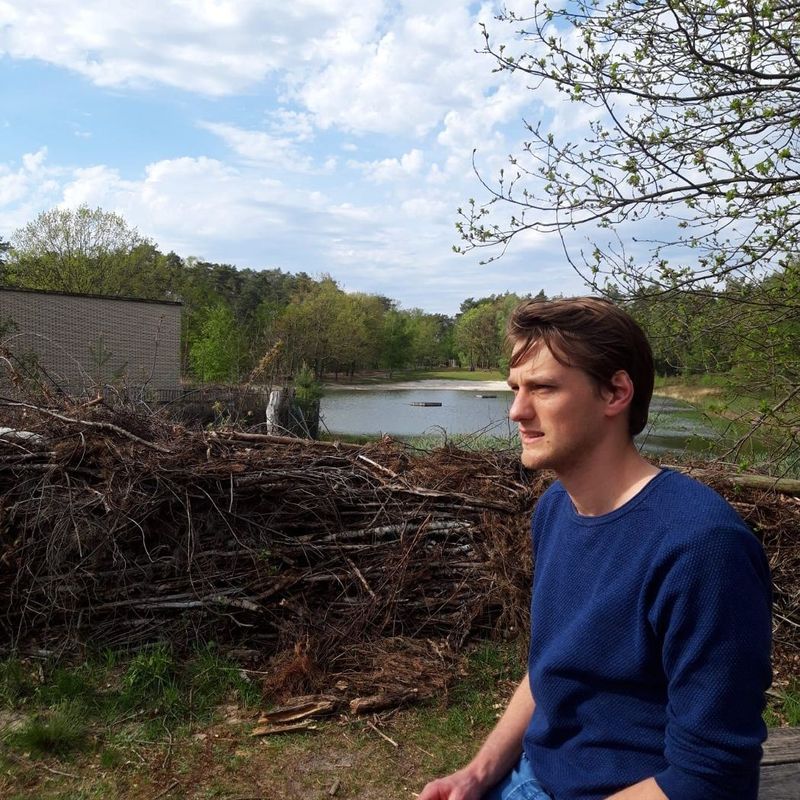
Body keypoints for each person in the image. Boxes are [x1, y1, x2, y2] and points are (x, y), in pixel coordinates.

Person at [418, 297, 772, 800]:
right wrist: (477, 774)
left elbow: (710, 777)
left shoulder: (701, 549)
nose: (517, 410)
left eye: (543, 388)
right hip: (531, 780)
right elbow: (550, 667)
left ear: (615, 393)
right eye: (516, 388)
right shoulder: (556, 508)